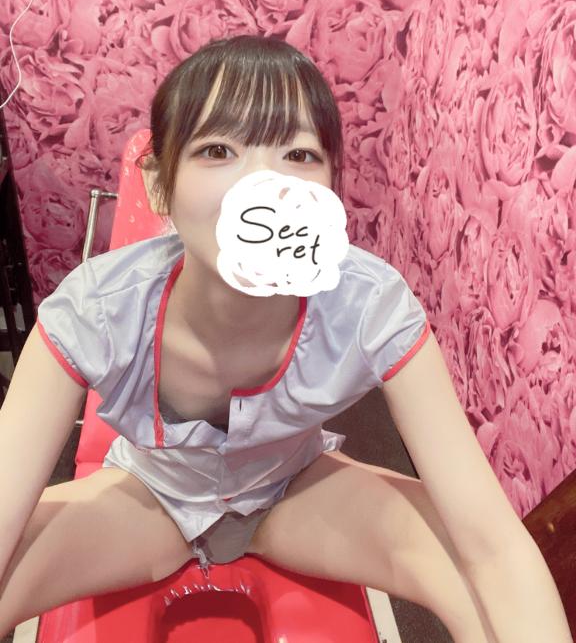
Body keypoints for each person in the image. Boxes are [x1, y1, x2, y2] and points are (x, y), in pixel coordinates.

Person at [0, 34, 570, 643]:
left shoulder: (373, 307)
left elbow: (492, 544)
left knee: (477, 584)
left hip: (295, 492)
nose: (264, 187)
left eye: (298, 155)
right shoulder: (93, 312)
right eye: (218, 150)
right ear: (161, 186)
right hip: (148, 497)